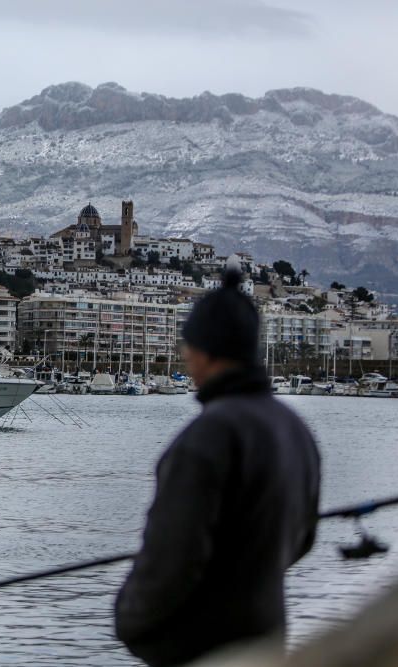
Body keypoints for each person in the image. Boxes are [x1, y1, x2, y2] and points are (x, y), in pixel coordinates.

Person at [114, 269, 321, 667]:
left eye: (186, 346)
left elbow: (172, 558)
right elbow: (303, 539)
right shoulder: (294, 428)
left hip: (206, 649)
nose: (185, 357)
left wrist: (130, 622)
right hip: (267, 639)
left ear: (204, 350)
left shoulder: (207, 439)